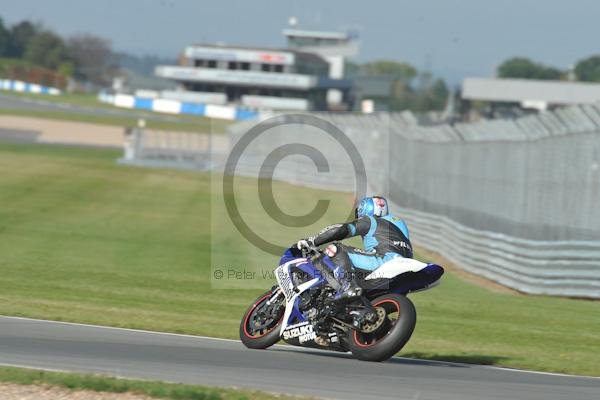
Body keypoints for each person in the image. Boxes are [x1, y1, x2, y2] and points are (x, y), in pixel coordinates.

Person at [296, 196, 413, 299]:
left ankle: (347, 287)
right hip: (405, 269)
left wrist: (312, 240)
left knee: (335, 248)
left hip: (383, 261)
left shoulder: (371, 221)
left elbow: (342, 229)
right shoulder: (399, 224)